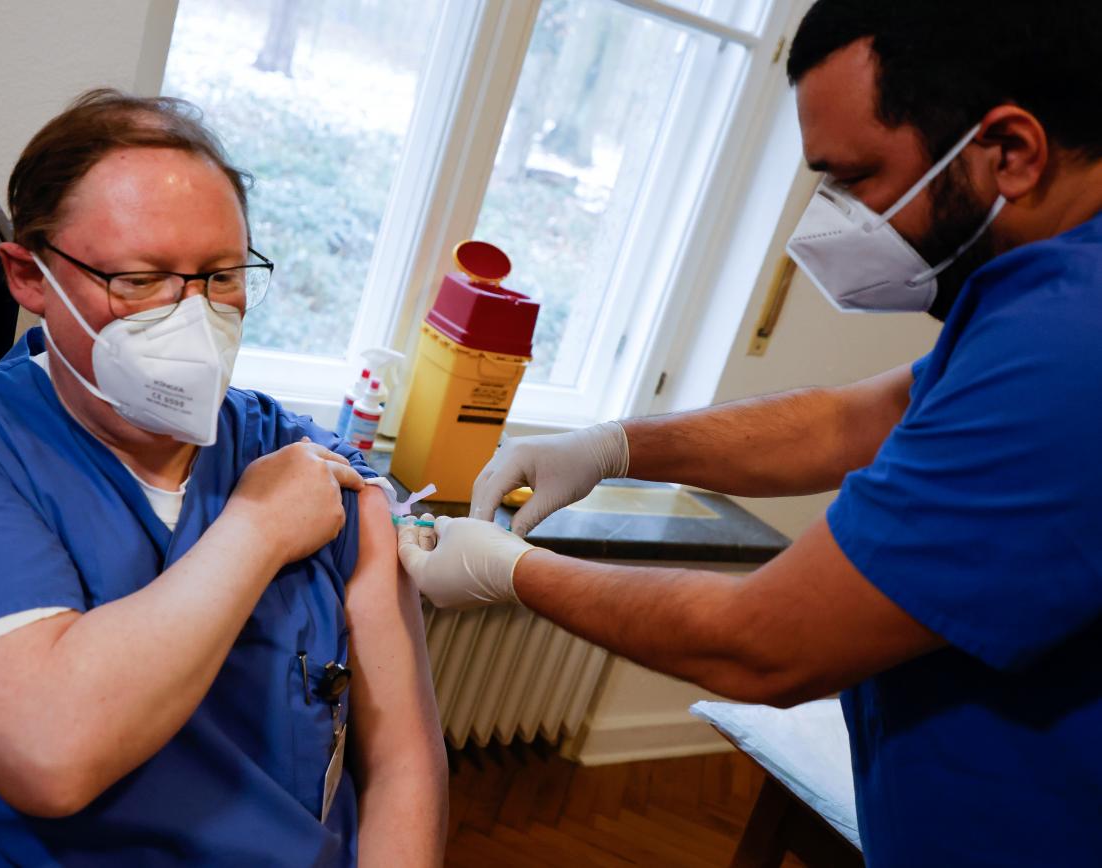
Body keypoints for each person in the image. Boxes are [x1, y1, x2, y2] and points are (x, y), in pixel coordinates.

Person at [398, 2, 1102, 865]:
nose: (834, 217)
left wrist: (512, 570)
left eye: (857, 178)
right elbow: (856, 419)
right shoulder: (1040, 294)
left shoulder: (1070, 343)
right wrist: (609, 446)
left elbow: (761, 645)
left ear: (1012, 153)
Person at [0, 89, 446, 866]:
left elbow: (403, 764)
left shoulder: (304, 458)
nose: (191, 318)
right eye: (139, 279)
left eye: (222, 276)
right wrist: (254, 530)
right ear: (28, 275)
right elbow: (52, 755)